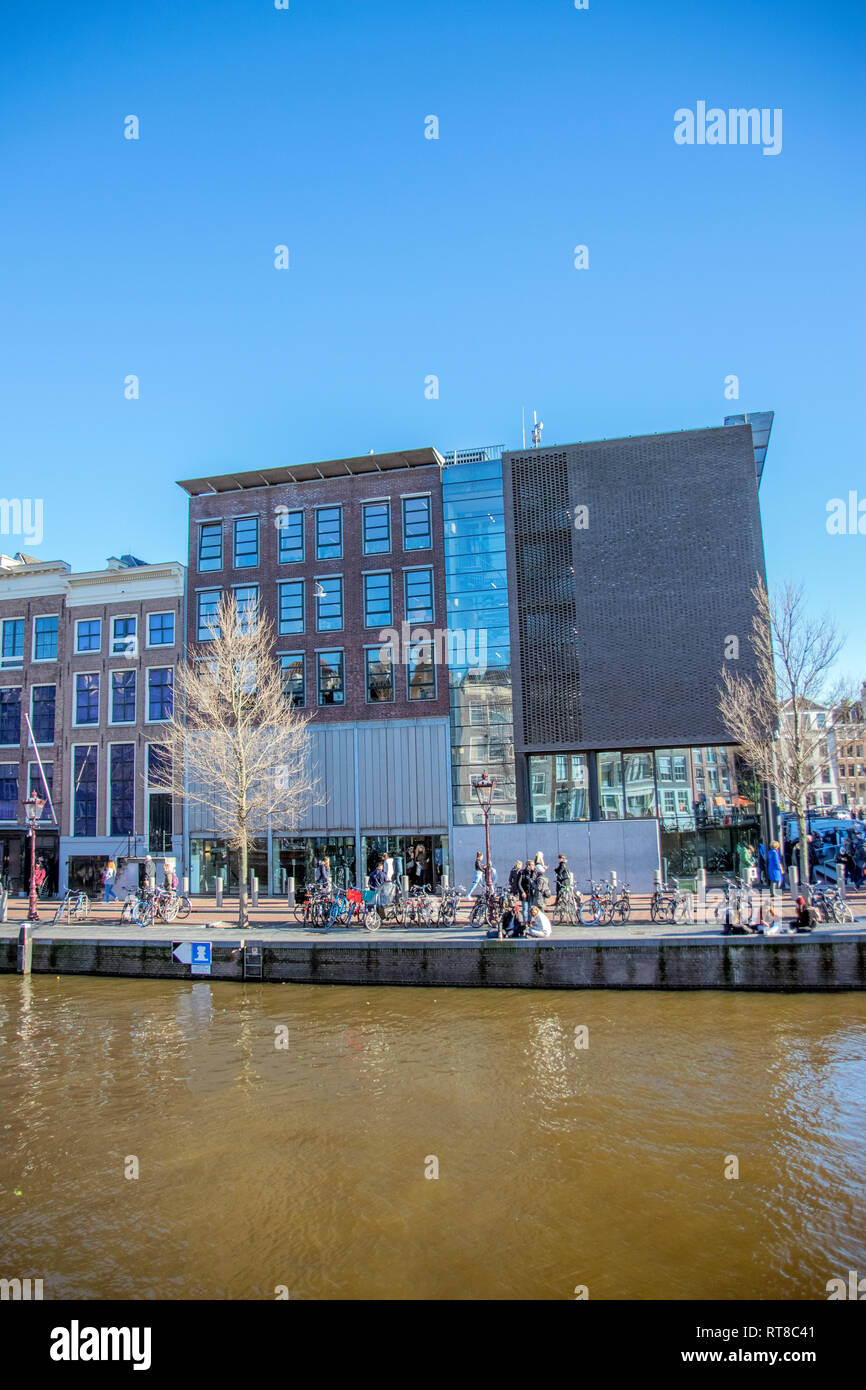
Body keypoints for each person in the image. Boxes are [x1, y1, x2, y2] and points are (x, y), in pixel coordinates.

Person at [518, 860, 536, 924]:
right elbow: (519, 883)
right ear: (528, 866)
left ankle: (529, 921)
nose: (534, 866)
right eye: (532, 865)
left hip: (531, 893)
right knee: (525, 908)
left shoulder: (533, 872)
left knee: (530, 908)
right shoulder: (522, 872)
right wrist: (522, 892)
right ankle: (525, 922)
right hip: (525, 893)